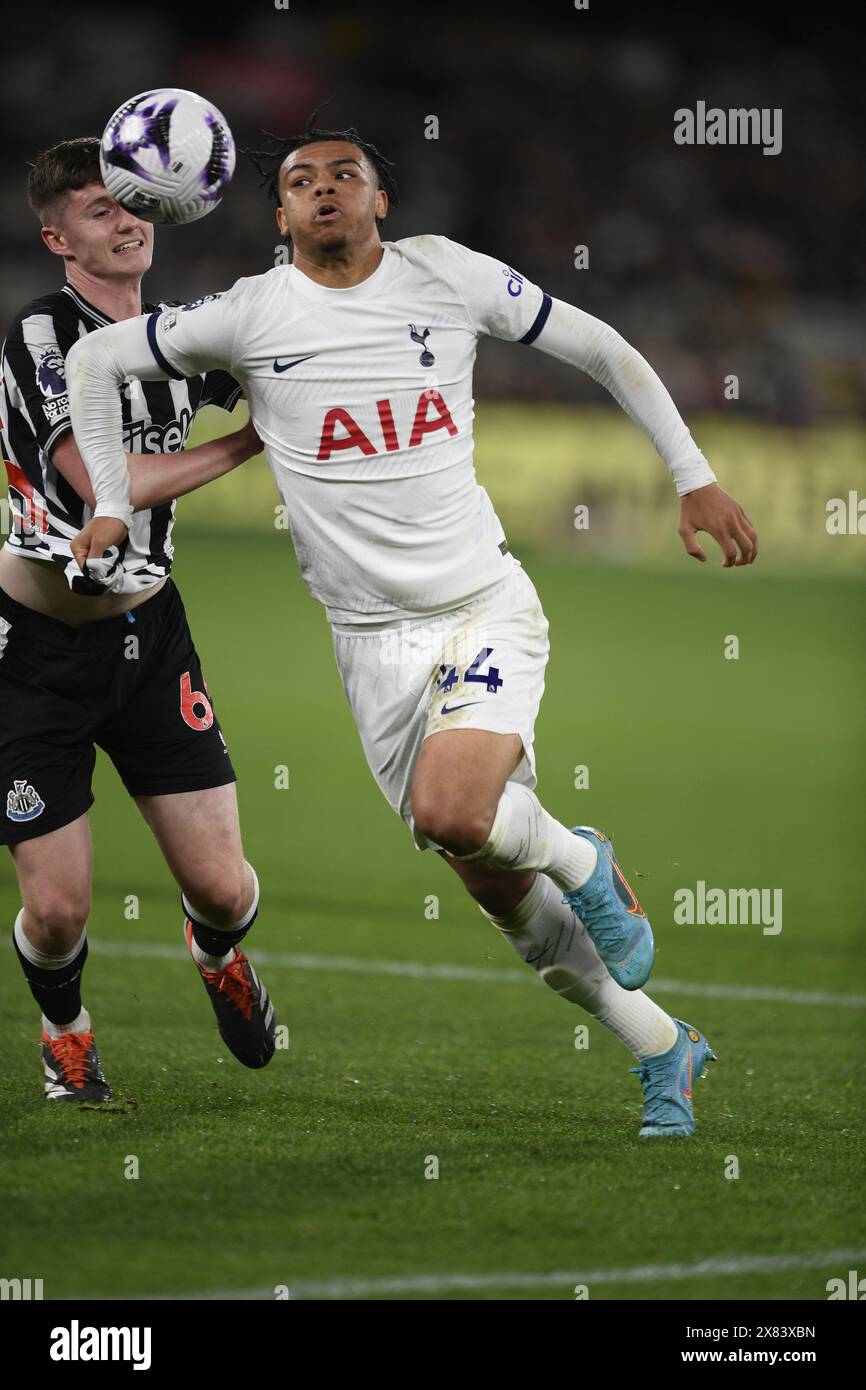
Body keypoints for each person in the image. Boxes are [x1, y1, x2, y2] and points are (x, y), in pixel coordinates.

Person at [66, 117, 759, 1137]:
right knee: (490, 883)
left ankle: (582, 858)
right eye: (301, 180)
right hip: (367, 642)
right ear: (279, 213)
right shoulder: (249, 314)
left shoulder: (448, 277)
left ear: (380, 199)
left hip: (479, 604)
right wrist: (112, 504)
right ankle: (663, 1045)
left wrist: (692, 476)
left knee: (451, 813)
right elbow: (93, 362)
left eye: (346, 174)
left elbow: (602, 347)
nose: (325, 189)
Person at [0, 138, 277, 1102]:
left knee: (225, 889)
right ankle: (65, 1031)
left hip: (151, 639)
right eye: (97, 210)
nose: (125, 222)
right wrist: (249, 442)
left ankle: (217, 954)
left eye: (133, 206)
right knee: (61, 909)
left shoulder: (177, 337)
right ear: (56, 236)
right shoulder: (42, 336)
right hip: (31, 653)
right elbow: (98, 483)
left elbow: (283, 359)